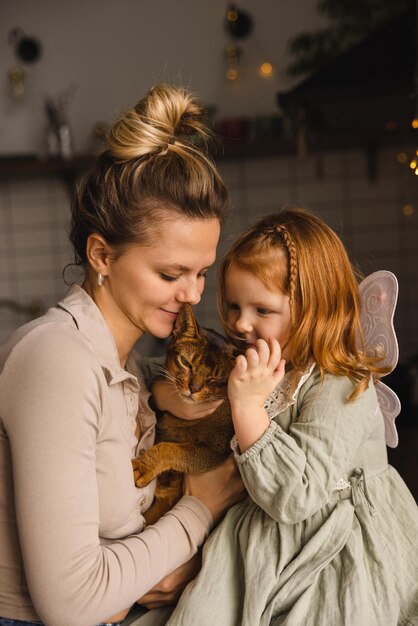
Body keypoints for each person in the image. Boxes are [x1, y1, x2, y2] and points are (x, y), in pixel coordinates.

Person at [0, 83, 245, 626]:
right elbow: (71, 604)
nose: (194, 295)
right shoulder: (56, 362)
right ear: (102, 255)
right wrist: (198, 509)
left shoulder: (122, 366)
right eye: (170, 273)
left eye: (201, 272)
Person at [147, 207, 418, 626]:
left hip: (329, 549)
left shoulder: (343, 386)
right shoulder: (271, 363)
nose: (241, 323)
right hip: (260, 538)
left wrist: (246, 407)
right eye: (235, 306)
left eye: (263, 311)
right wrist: (169, 396)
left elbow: (296, 496)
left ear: (315, 310)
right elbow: (165, 373)